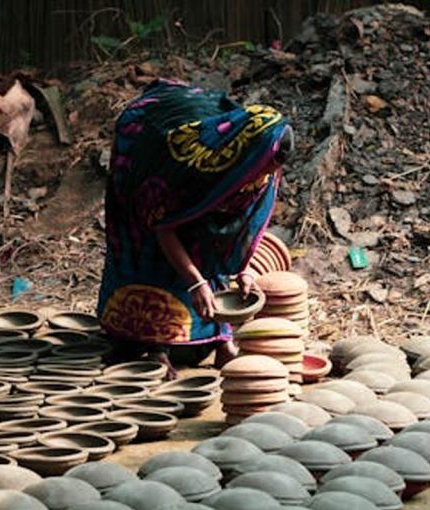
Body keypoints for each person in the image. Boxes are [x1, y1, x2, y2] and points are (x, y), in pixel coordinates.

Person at [97, 78, 293, 378]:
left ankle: (219, 339)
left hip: (199, 176)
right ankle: (154, 345)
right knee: (148, 252)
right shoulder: (189, 165)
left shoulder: (262, 162)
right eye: (265, 168)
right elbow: (163, 227)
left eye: (272, 169)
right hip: (147, 149)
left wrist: (244, 269)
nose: (267, 175)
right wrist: (195, 282)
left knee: (209, 246)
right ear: (248, 155)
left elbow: (240, 228)